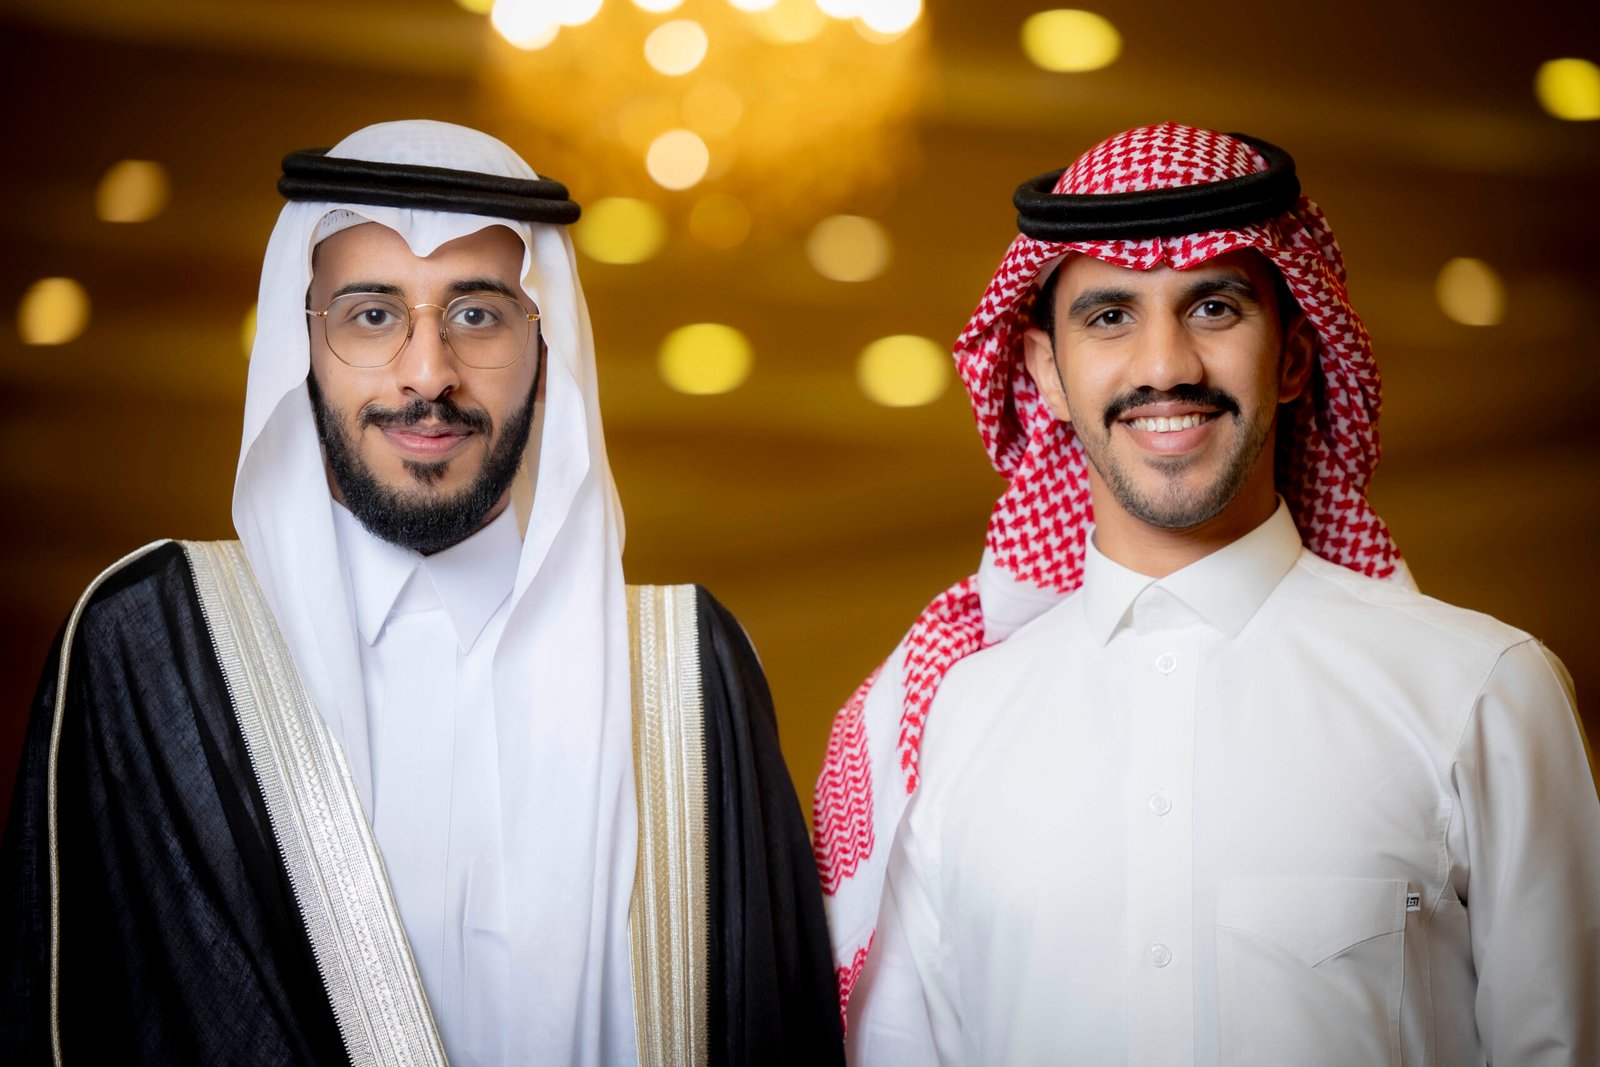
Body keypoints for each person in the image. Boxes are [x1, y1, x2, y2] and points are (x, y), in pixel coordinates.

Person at [2, 120, 843, 1066]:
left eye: (477, 315)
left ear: (547, 350)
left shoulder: (686, 670)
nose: (429, 372)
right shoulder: (153, 646)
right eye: (371, 315)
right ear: (301, 349)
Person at [813, 123, 1599, 1064]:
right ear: (1044, 373)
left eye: (1215, 307)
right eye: (1110, 316)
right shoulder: (951, 726)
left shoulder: (1479, 690)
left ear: (1296, 358)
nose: (1166, 366)